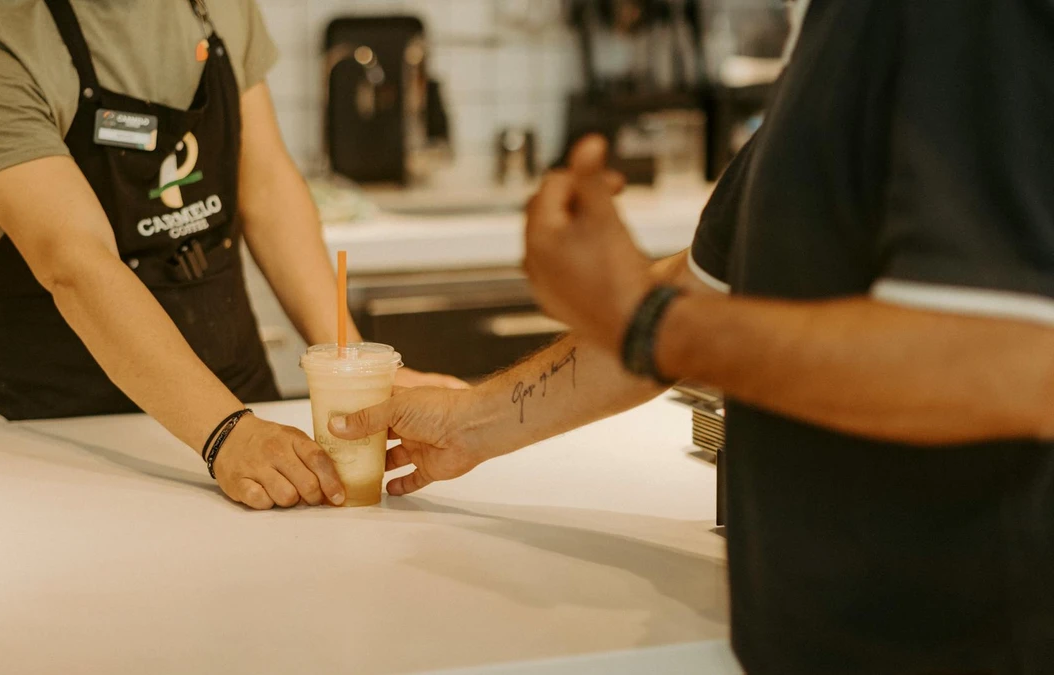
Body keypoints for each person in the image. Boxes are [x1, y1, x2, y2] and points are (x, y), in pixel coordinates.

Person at [328, 2, 1054, 672]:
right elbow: (707, 287)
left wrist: (648, 324)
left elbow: (1010, 360)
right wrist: (468, 424)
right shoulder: (844, 25)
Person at [0, 0, 460, 511]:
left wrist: (358, 368)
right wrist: (224, 433)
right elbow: (76, 261)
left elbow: (268, 191)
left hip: (245, 404)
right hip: (65, 436)